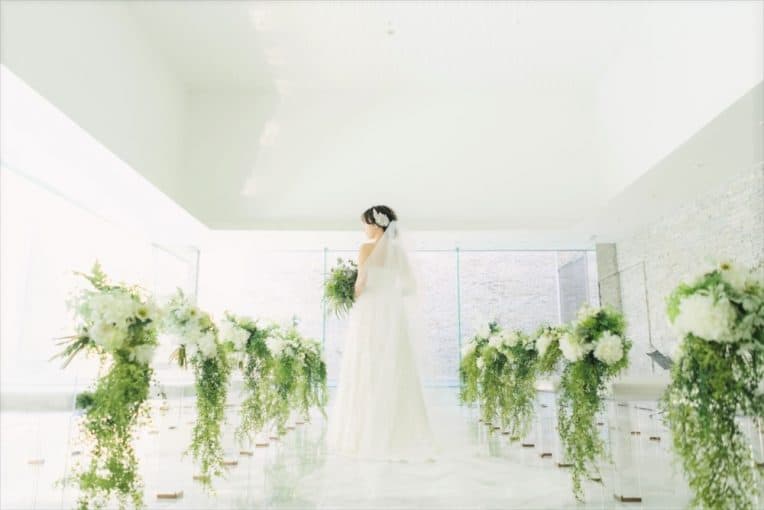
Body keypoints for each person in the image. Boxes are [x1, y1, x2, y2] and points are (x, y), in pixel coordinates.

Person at [326, 205, 435, 461]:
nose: (364, 229)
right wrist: (391, 294)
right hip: (393, 312)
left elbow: (360, 284)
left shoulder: (366, 248)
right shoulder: (398, 251)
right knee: (397, 364)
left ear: (376, 224)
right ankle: (403, 434)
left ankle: (363, 434)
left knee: (366, 363)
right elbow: (410, 286)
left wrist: (349, 293)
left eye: (365, 223)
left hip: (369, 311)